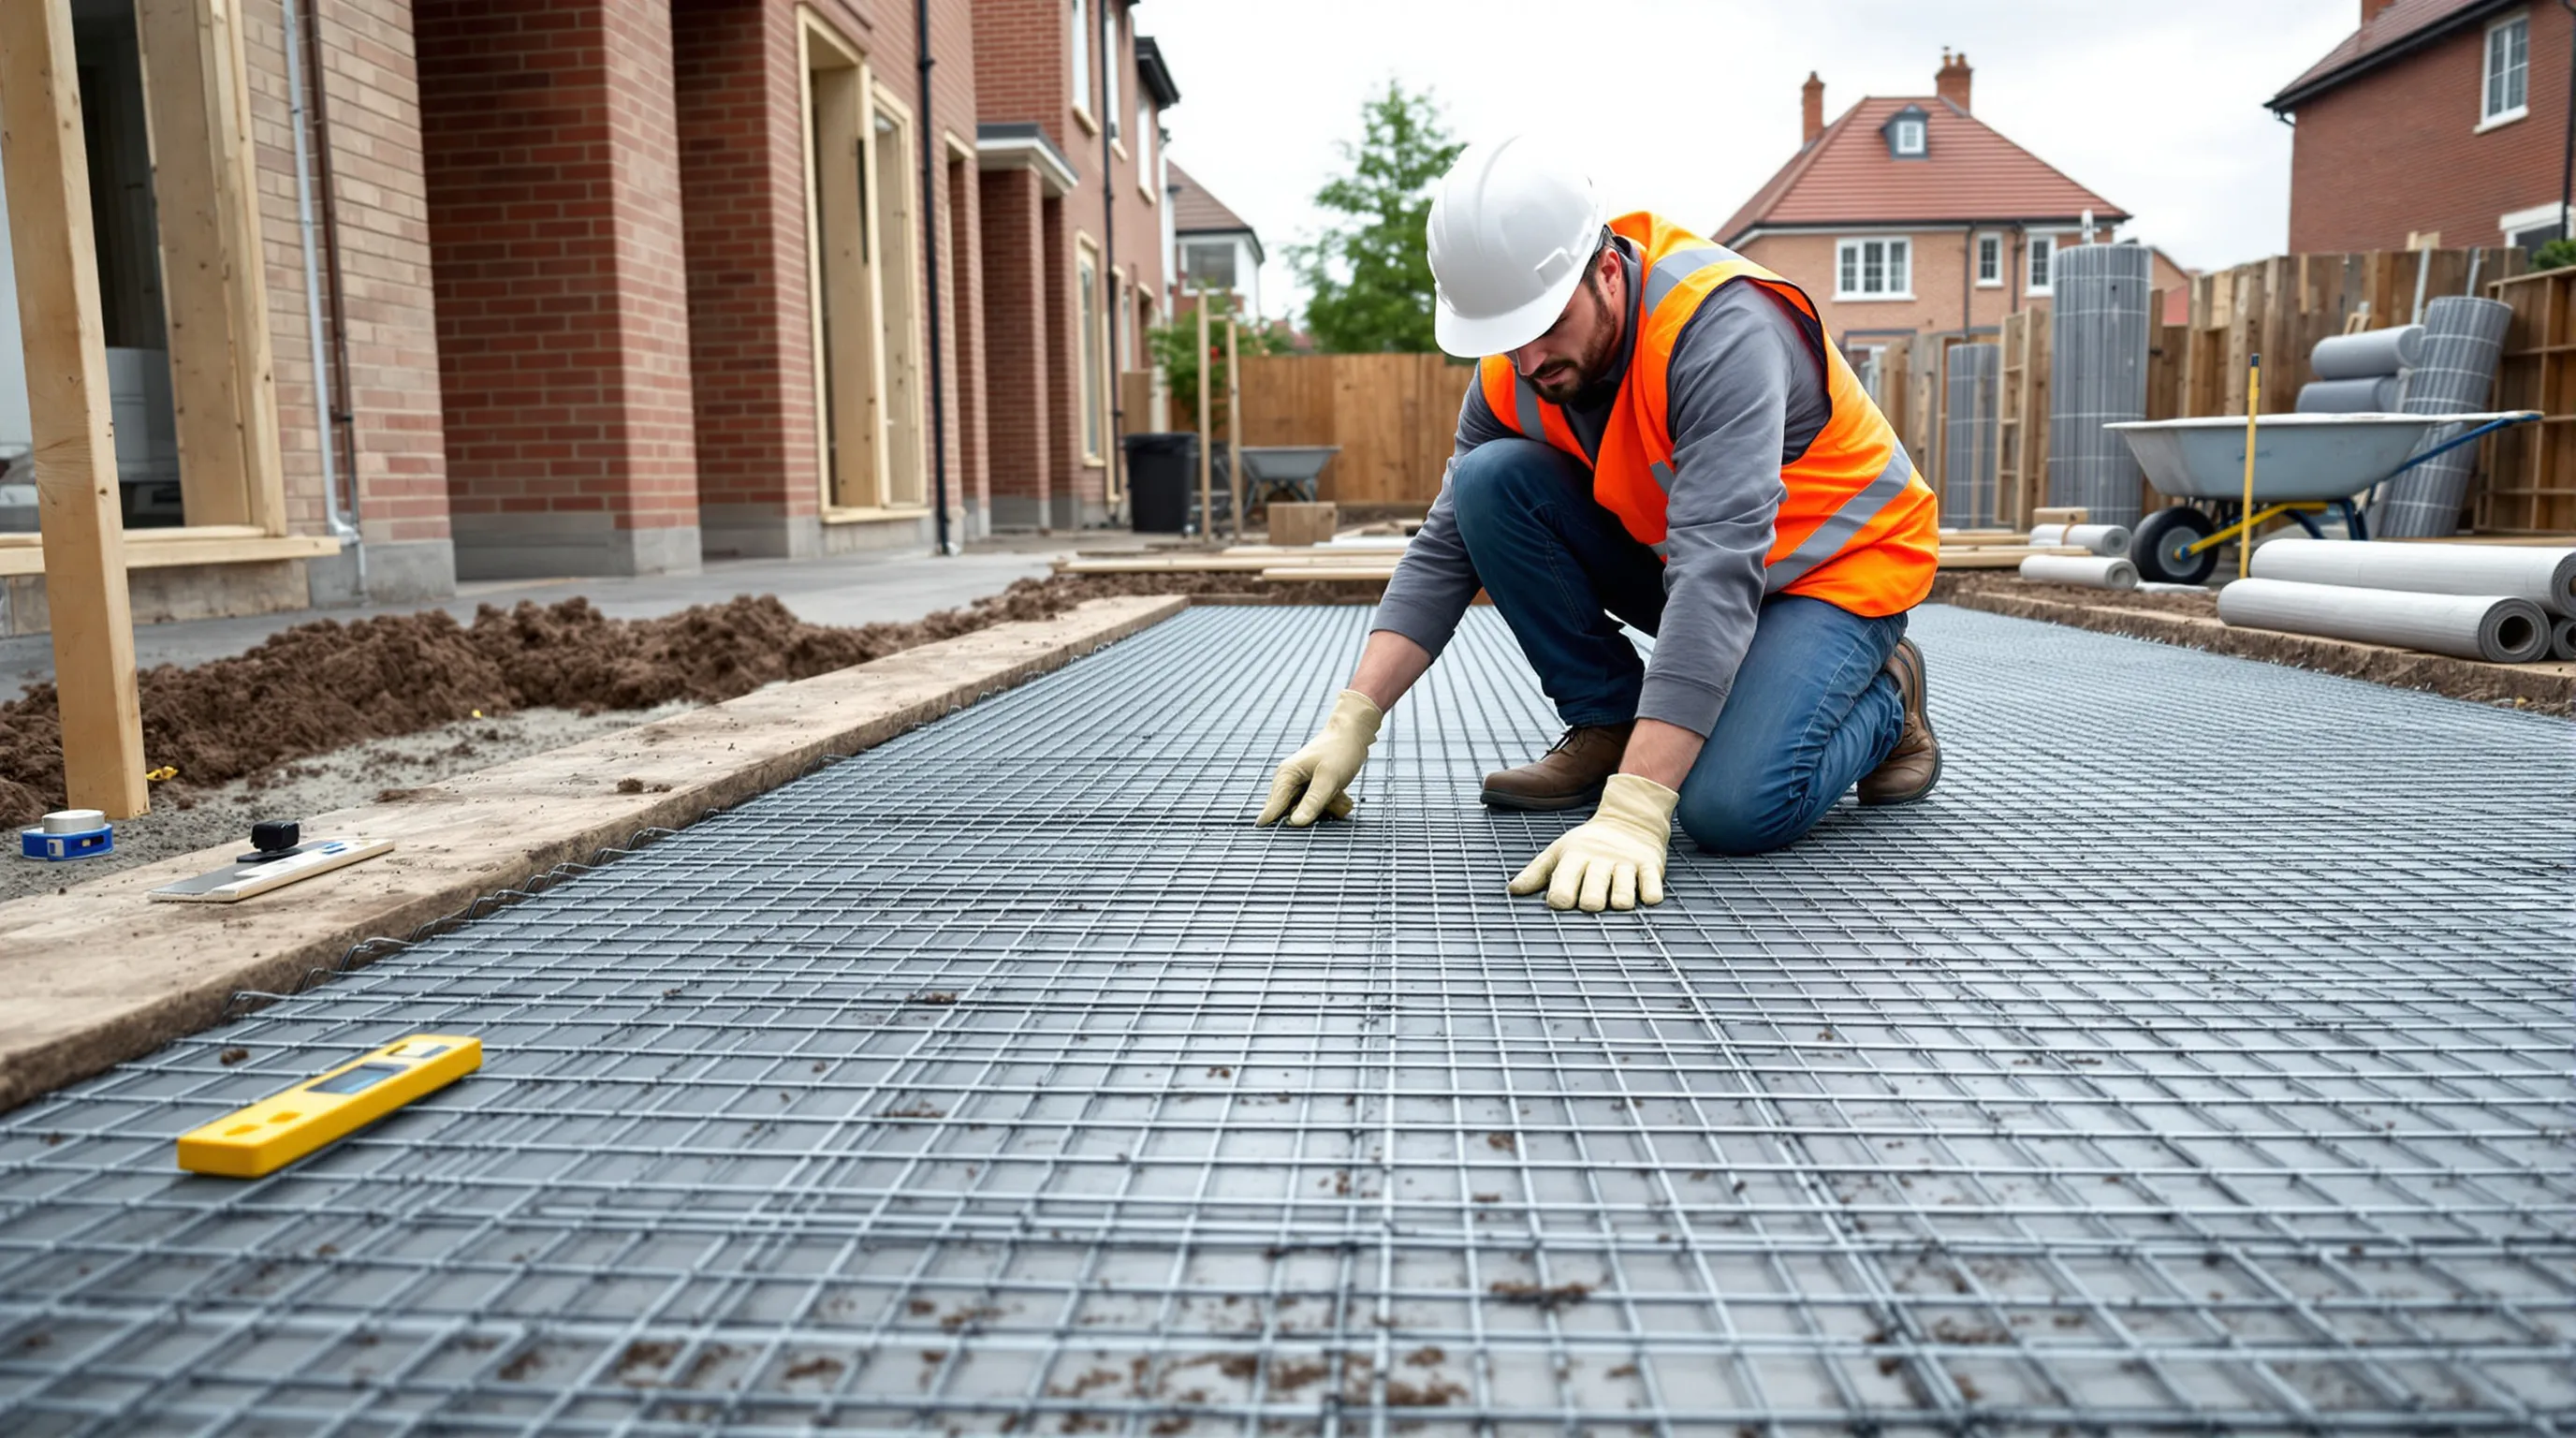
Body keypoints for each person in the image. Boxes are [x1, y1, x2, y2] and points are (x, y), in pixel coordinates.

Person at [1255, 134, 1942, 913]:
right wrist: (1354, 718)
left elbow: (1717, 571)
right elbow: (1447, 546)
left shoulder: (1720, 333)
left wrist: (1636, 808)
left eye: (1544, 323)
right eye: (1503, 335)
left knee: (1729, 808)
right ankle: (1611, 722)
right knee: (1488, 482)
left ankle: (1889, 697)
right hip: (1694, 562)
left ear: (1607, 270)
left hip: (1835, 574)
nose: (1527, 359)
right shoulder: (1516, 369)